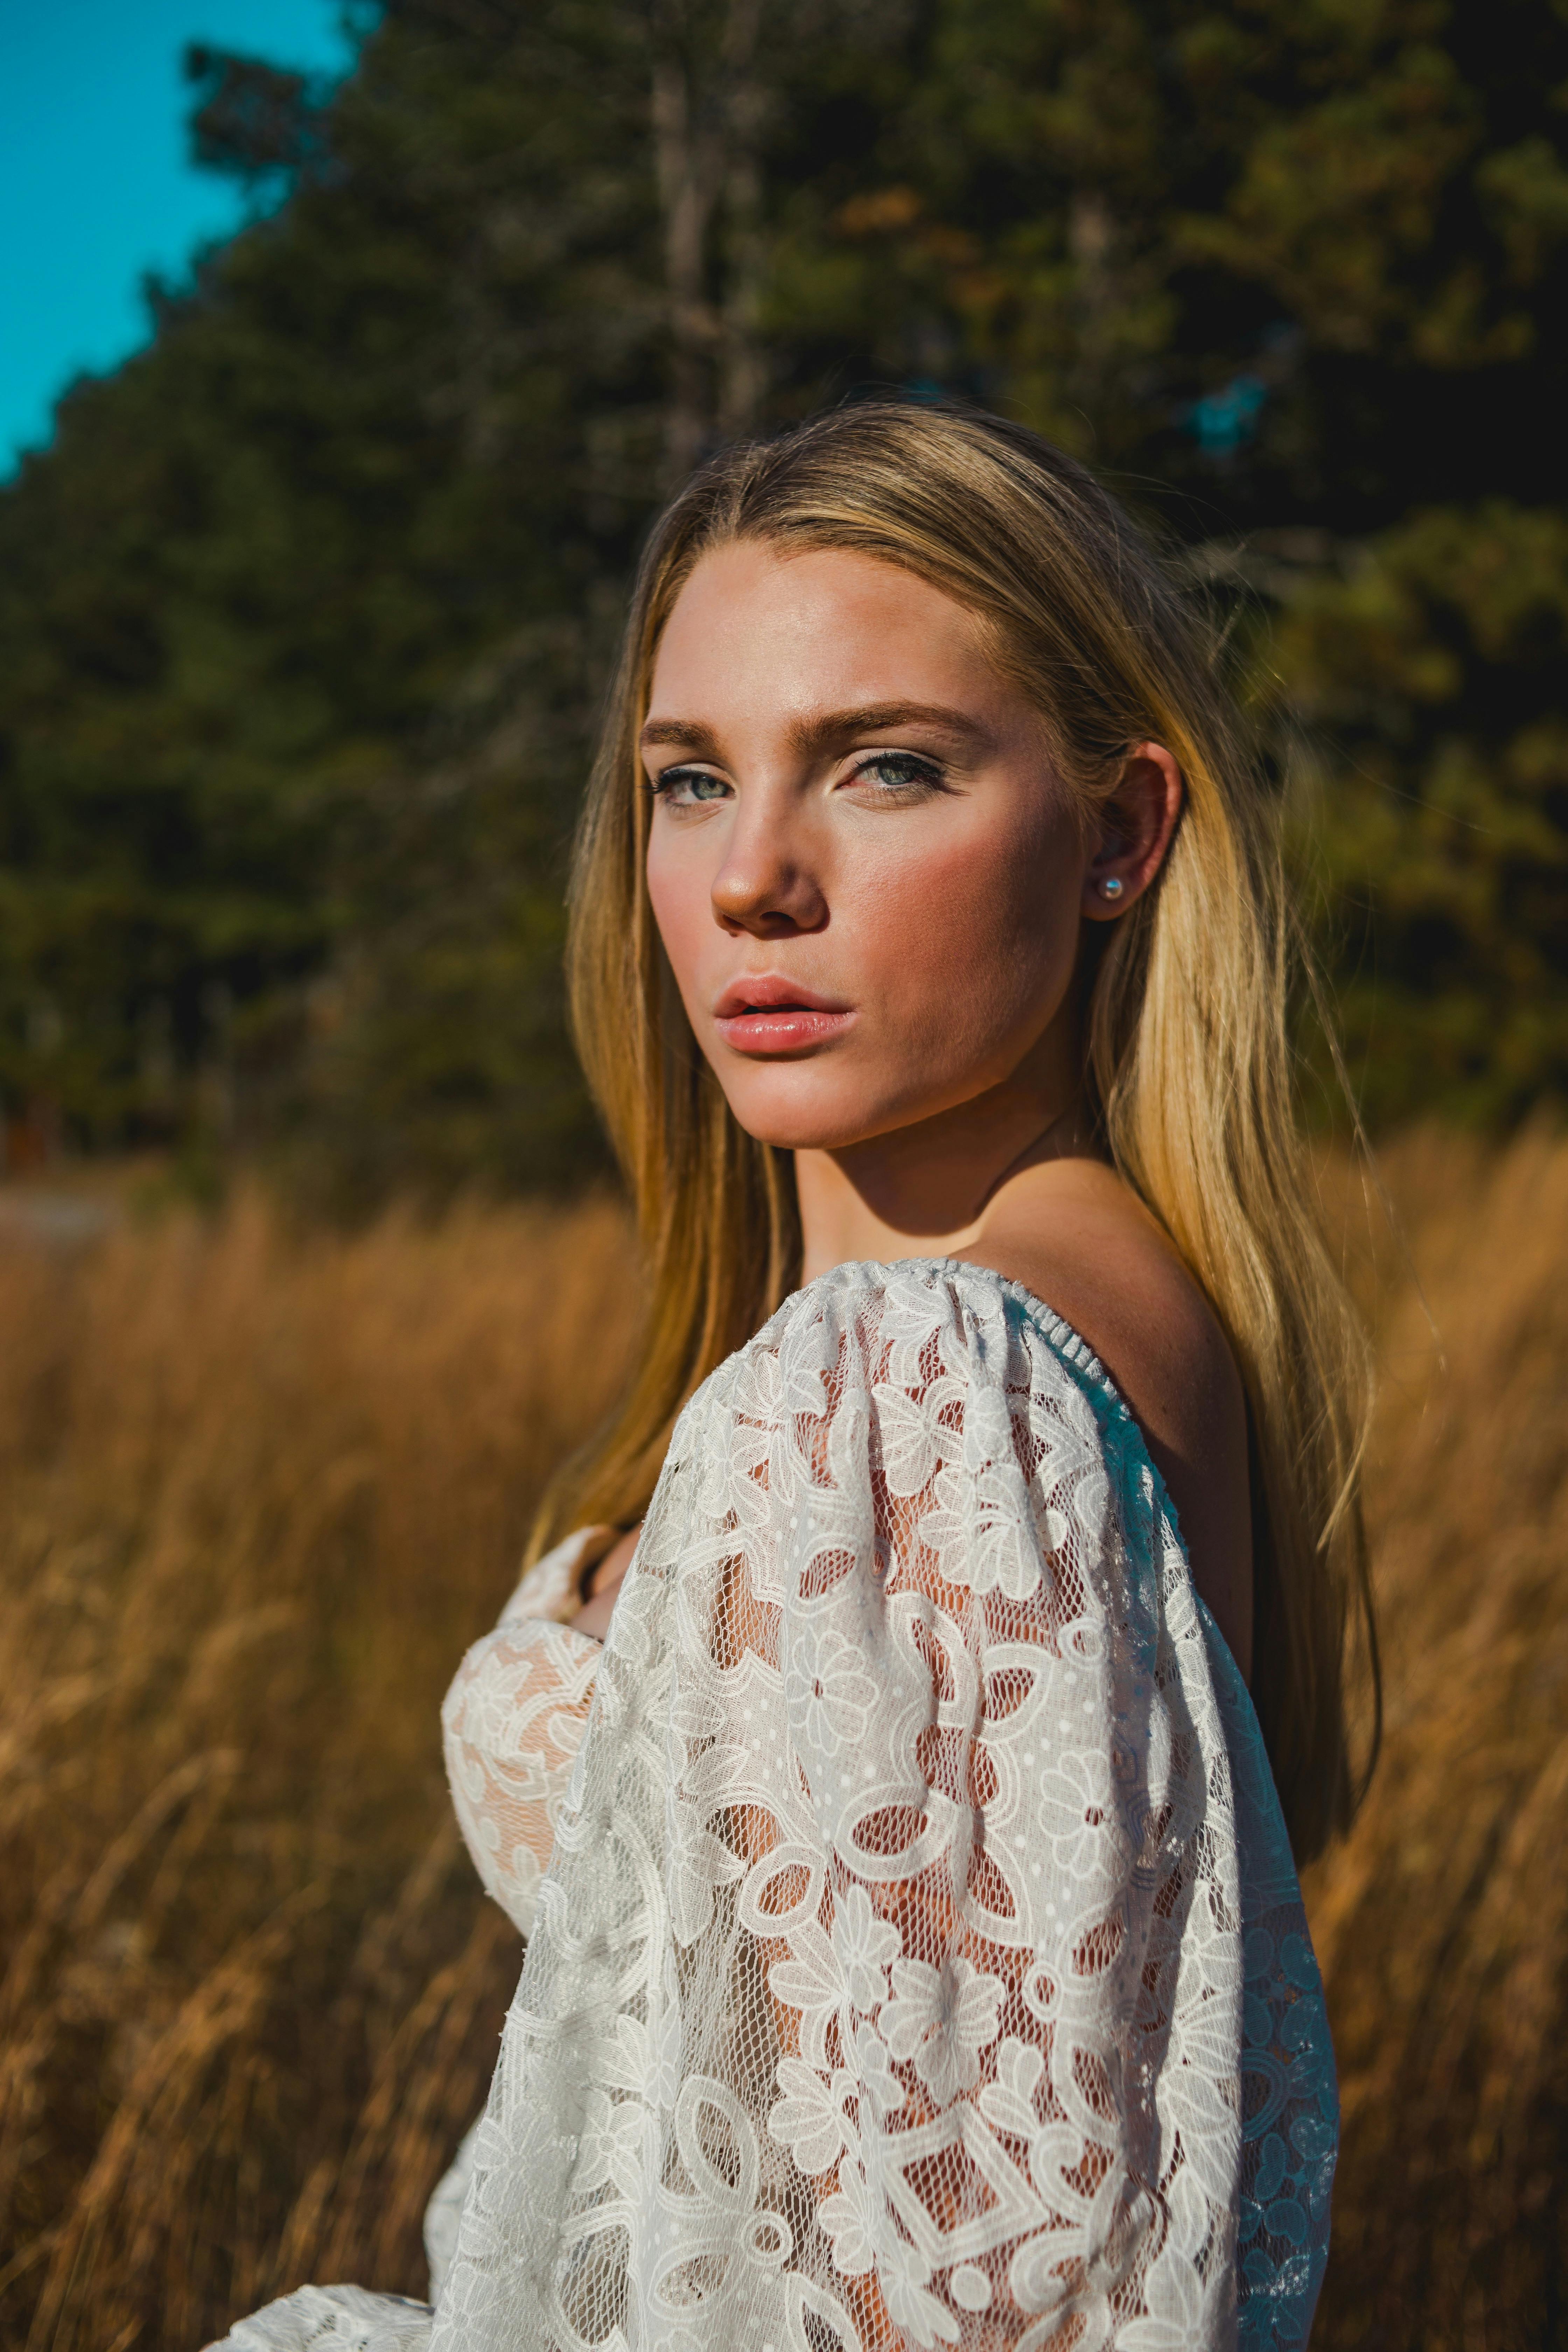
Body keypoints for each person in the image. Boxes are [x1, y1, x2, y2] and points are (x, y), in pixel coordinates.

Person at [210, 401, 1376, 2352]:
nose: (754, 875)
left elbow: (950, 2306)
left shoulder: (928, 1386)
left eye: (887, 768)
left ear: (1118, 834)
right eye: (688, 780)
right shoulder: (1057, 1324)